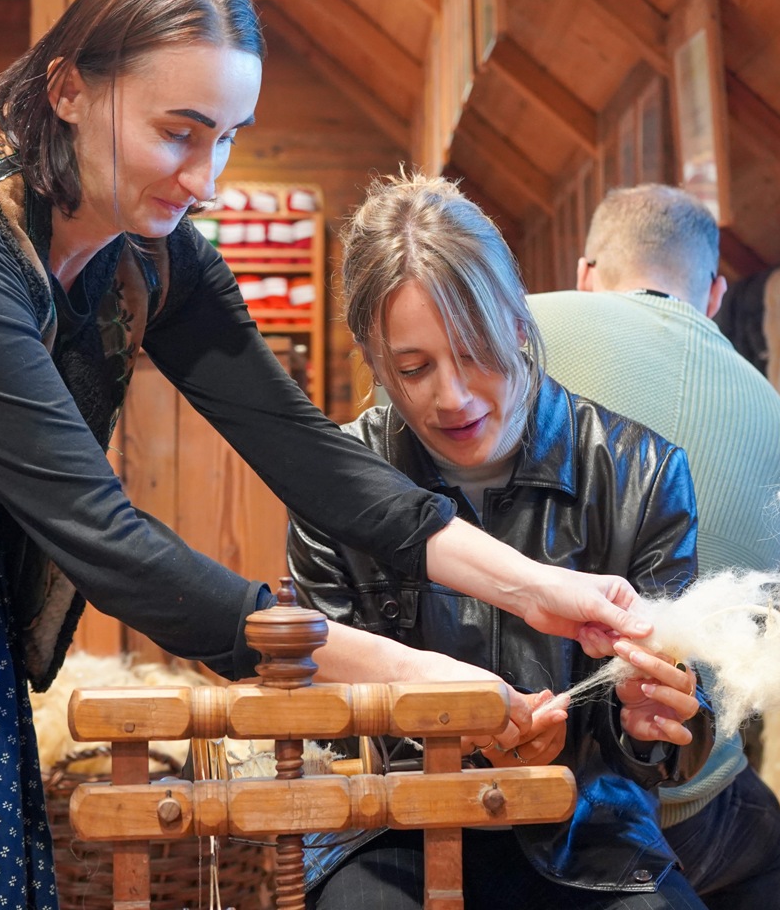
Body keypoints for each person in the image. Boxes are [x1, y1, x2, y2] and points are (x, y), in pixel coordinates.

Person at [0, 0, 654, 908]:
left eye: (227, 137)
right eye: (180, 132)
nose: (208, 178)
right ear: (66, 89)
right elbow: (103, 538)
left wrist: (546, 589)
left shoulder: (147, 249)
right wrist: (414, 673)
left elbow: (309, 455)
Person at [287, 171, 715, 910]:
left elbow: (678, 733)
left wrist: (652, 721)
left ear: (519, 321)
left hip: (589, 834)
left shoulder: (643, 472)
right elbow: (326, 709)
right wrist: (458, 734)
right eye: (412, 368)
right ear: (373, 357)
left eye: (475, 350)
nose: (450, 396)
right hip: (392, 833)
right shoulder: (339, 482)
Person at [527, 184, 780, 909]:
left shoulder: (516, 328)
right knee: (763, 836)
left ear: (587, 270)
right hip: (692, 803)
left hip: (527, 778)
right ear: (714, 292)